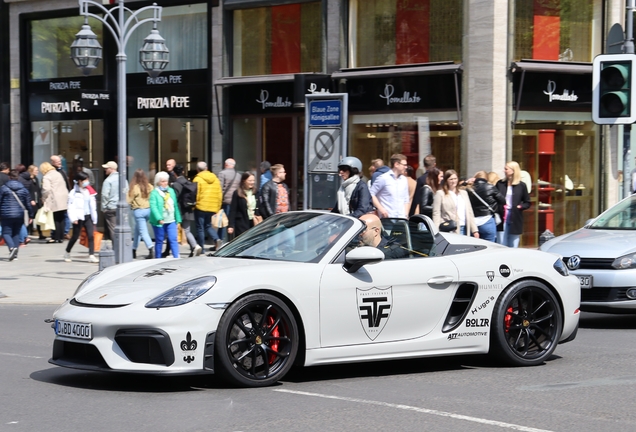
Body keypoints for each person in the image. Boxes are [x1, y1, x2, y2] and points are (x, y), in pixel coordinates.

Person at [432, 169, 479, 237]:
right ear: (446, 180)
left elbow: (469, 212)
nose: (453, 181)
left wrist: (475, 230)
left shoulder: (463, 193)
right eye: (451, 179)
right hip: (449, 229)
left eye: (455, 178)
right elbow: (436, 213)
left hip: (464, 227)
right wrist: (436, 231)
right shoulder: (440, 194)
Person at [64, 172, 98, 263]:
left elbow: (92, 205)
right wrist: (73, 218)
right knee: (75, 236)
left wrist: (94, 217)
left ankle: (91, 255)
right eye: (85, 180)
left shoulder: (89, 191)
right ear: (79, 181)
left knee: (91, 235)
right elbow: (70, 206)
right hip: (78, 217)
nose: (87, 182)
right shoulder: (73, 193)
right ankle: (67, 251)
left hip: (88, 216)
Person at [0, 170, 33, 261]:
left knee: (6, 233)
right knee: (16, 233)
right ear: (18, 177)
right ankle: (15, 255)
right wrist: (31, 215)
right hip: (19, 214)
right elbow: (28, 204)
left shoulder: (3, 188)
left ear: (9, 177)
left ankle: (11, 248)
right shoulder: (23, 189)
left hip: (6, 214)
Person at [496, 161, 531, 247]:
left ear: (513, 170)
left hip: (515, 216)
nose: (504, 171)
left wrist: (520, 206)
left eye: (506, 169)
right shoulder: (500, 184)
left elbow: (527, 202)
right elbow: (494, 199)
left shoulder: (521, 185)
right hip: (502, 215)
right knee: (501, 242)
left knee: (513, 243)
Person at [149, 171, 182, 258]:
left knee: (173, 239)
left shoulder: (171, 191)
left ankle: (176, 258)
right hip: (159, 222)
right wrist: (159, 218)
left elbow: (175, 205)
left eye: (166, 181)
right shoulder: (154, 193)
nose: (164, 183)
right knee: (159, 240)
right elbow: (154, 207)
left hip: (171, 220)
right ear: (158, 182)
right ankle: (158, 258)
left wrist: (178, 219)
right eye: (162, 181)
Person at [466, 171, 505, 243]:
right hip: (487, 220)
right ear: (486, 178)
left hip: (473, 223)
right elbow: (503, 201)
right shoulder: (490, 187)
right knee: (490, 246)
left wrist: (466, 182)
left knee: (474, 246)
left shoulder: (469, 188)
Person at [172, 164, 202, 257]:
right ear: (183, 172)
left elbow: (175, 198)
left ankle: (194, 246)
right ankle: (194, 248)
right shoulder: (187, 182)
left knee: (180, 230)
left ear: (174, 173)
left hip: (180, 210)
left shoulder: (176, 184)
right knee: (187, 229)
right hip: (188, 208)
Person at [193, 161, 222, 251]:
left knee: (200, 228)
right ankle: (217, 239)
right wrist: (217, 207)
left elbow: (195, 194)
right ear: (206, 168)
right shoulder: (216, 179)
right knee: (208, 226)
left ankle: (202, 248)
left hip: (200, 207)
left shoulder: (197, 179)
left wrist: (193, 206)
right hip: (212, 207)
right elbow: (219, 194)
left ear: (197, 170)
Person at [369, 154, 410, 219]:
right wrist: (381, 209)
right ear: (396, 164)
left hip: (402, 219)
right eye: (404, 165)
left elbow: (406, 199)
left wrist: (406, 214)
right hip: (387, 218)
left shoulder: (404, 180)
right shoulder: (383, 178)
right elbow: (371, 194)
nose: (406, 167)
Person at [127, 168, 154, 259]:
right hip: (148, 210)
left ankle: (151, 249)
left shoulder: (134, 188)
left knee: (143, 232)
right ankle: (133, 250)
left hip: (138, 211)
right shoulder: (149, 186)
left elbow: (128, 200)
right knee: (137, 230)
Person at [40, 161, 69, 244]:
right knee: (61, 218)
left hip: (54, 198)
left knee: (55, 218)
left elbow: (46, 189)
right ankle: (61, 237)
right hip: (63, 197)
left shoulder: (47, 177)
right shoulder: (58, 174)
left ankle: (56, 237)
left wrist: (43, 198)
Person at [228, 172, 258, 238]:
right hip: (242, 223)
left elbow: (259, 207)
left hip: (253, 221)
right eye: (250, 180)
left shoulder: (255, 192)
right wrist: (230, 225)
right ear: (244, 181)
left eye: (253, 180)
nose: (252, 182)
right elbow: (233, 210)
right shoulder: (237, 193)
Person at [101, 161, 125, 241]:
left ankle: (116, 248)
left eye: (106, 168)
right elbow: (127, 191)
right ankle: (122, 246)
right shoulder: (123, 179)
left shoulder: (108, 181)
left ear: (111, 169)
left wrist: (104, 208)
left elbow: (104, 195)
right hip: (122, 208)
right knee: (122, 228)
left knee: (113, 229)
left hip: (111, 208)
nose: (105, 170)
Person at [218, 158, 241, 239]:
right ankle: (232, 239)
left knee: (223, 221)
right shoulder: (238, 175)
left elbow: (220, 188)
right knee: (232, 221)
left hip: (226, 201)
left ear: (226, 164)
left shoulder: (222, 173)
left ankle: (222, 240)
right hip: (235, 201)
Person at [25, 165, 45, 240]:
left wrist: (41, 198)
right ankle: (27, 233)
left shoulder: (36, 179)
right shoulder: (28, 180)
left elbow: (38, 189)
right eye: (36, 170)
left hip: (37, 201)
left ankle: (40, 233)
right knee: (30, 217)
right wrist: (30, 199)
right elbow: (28, 191)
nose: (37, 172)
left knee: (38, 217)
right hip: (32, 201)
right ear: (31, 171)